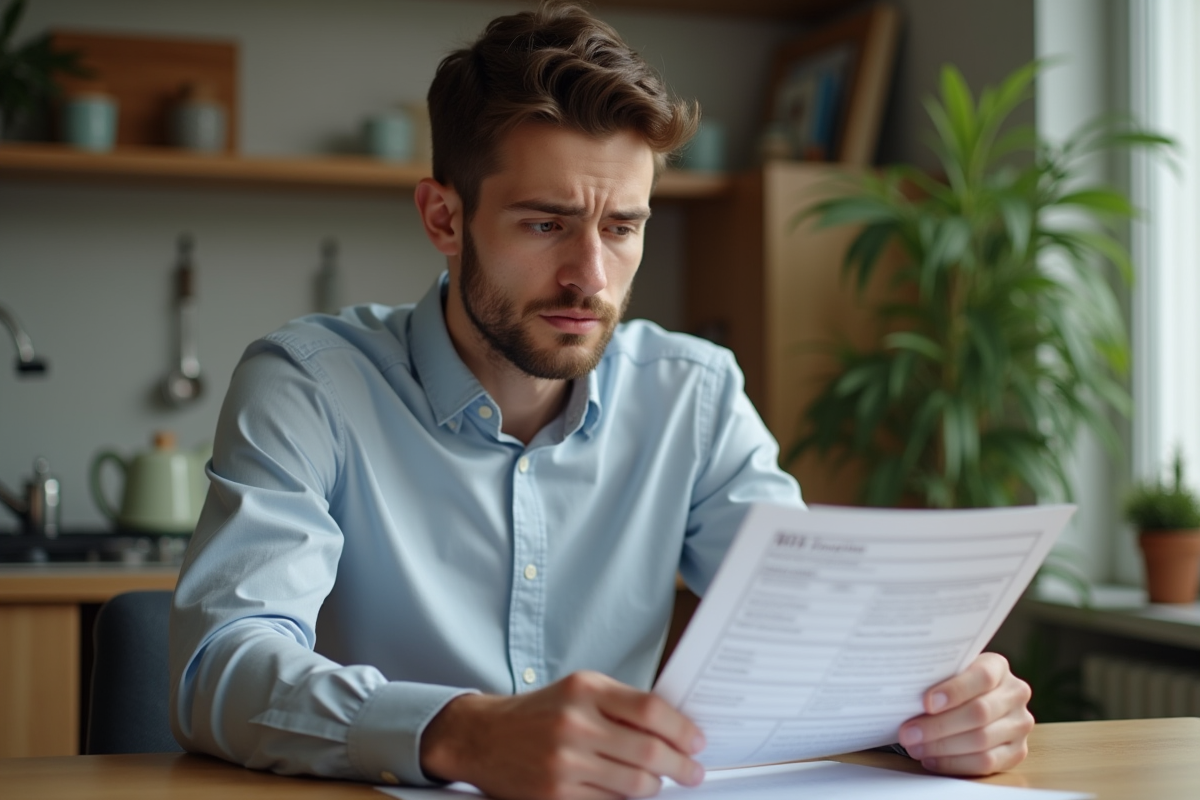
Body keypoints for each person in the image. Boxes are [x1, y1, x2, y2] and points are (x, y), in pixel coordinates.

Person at [168, 3, 1034, 798]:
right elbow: (220, 669)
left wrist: (947, 706)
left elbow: (818, 637)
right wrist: (463, 734)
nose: (590, 276)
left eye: (622, 228)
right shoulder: (309, 384)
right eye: (545, 223)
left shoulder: (692, 395)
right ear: (443, 218)